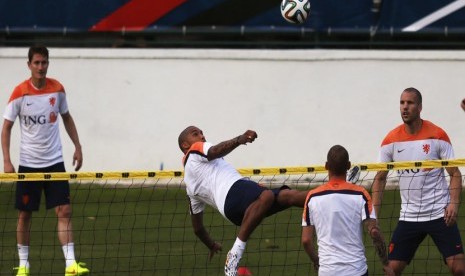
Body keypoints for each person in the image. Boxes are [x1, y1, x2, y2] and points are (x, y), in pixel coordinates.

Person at [1, 46, 89, 276]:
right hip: (29, 165)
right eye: (37, 63)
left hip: (55, 162)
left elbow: (67, 118)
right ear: (29, 64)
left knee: (65, 211)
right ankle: (23, 265)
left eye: (44, 62)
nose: (41, 67)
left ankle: (71, 264)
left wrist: (78, 147)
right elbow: (6, 127)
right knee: (25, 214)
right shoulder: (19, 93)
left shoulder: (57, 89)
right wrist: (7, 161)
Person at [178, 126, 307, 276]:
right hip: (233, 191)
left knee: (287, 196)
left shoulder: (190, 187)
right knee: (266, 196)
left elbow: (197, 228)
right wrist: (239, 139)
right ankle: (235, 254)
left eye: (201, 132)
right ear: (185, 145)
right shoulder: (195, 150)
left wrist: (211, 245)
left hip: (235, 212)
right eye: (196, 134)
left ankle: (325, 197)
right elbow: (215, 150)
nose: (201, 136)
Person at [372, 87, 465, 275]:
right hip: (409, 216)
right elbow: (379, 178)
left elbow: (455, 174)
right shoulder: (390, 141)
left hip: (440, 214)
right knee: (390, 270)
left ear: (420, 107)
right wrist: (373, 215)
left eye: (410, 103)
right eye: (402, 103)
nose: (405, 107)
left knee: (459, 268)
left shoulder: (437, 135)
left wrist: (453, 204)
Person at [301, 145, 393, 276]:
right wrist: (386, 264)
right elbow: (374, 232)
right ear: (349, 165)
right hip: (356, 270)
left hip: (327, 271)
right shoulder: (361, 194)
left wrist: (316, 261)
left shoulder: (312, 197)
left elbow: (306, 241)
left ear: (326, 166)